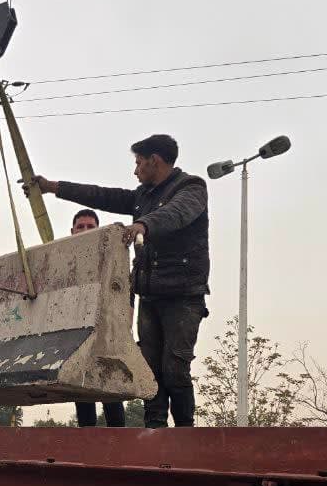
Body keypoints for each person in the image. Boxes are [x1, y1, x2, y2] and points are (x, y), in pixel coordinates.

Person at [28, 134, 209, 428]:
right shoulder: (143, 196)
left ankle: (185, 431)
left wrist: (143, 224)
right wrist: (54, 188)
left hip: (182, 295)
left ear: (155, 161)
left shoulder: (191, 188)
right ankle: (155, 429)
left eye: (138, 163)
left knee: (175, 367)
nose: (135, 170)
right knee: (150, 371)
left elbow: (175, 214)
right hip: (150, 294)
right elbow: (103, 195)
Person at [66, 209, 127, 427]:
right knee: (83, 396)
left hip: (107, 337)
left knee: (111, 394)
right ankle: (86, 451)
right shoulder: (64, 263)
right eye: (80, 227)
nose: (85, 231)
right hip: (77, 337)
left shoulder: (112, 260)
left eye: (90, 227)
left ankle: (120, 449)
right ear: (72, 231)